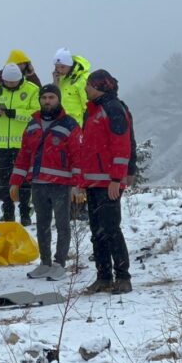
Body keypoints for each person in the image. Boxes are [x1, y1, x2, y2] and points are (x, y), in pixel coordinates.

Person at [9, 84, 81, 281]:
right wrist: (15, 181)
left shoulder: (69, 125)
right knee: (42, 224)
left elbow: (78, 156)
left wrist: (77, 184)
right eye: (44, 98)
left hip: (61, 184)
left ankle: (59, 264)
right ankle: (45, 262)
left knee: (63, 224)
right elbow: (24, 155)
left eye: (51, 97)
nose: (47, 101)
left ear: (58, 99)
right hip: (38, 184)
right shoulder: (32, 124)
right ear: (40, 100)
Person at [73, 70, 133, 295]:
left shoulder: (114, 109)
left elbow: (121, 146)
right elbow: (85, 150)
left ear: (99, 86)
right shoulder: (91, 111)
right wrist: (80, 181)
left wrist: (116, 179)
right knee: (97, 231)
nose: (86, 89)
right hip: (93, 182)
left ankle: (123, 277)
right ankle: (104, 277)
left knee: (111, 229)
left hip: (109, 182)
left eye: (89, 85)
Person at [0, 63, 40, 224]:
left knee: (23, 179)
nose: (10, 85)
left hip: (23, 144)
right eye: (7, 82)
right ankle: (8, 211)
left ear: (20, 79)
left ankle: (25, 211)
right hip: (2, 144)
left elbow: (36, 114)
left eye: (13, 82)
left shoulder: (31, 89)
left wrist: (15, 113)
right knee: (4, 179)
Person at [0, 50, 42, 114]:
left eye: (24, 63)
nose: (22, 65)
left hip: (26, 121)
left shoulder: (30, 76)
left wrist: (31, 75)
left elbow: (41, 95)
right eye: (19, 63)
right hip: (1, 119)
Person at [52, 48, 92, 125]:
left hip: (76, 126)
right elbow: (53, 101)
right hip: (60, 124)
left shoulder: (82, 79)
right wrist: (55, 83)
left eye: (63, 67)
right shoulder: (61, 78)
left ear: (70, 65)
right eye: (57, 67)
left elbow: (88, 106)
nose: (59, 70)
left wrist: (87, 127)